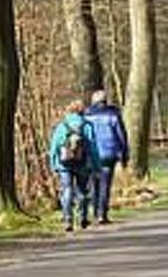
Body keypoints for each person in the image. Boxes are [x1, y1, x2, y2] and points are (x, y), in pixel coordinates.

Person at [48, 99, 100, 232]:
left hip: (64, 164)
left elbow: (54, 147)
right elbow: (93, 148)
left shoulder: (61, 126)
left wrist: (53, 164)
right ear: (82, 111)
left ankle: (68, 220)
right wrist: (97, 165)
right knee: (82, 191)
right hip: (83, 163)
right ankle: (83, 218)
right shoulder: (87, 126)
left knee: (67, 190)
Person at [85, 88, 129, 224]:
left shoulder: (87, 116)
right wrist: (124, 154)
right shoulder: (113, 115)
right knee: (105, 184)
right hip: (109, 154)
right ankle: (102, 214)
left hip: (92, 154)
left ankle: (95, 211)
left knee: (94, 184)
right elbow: (121, 136)